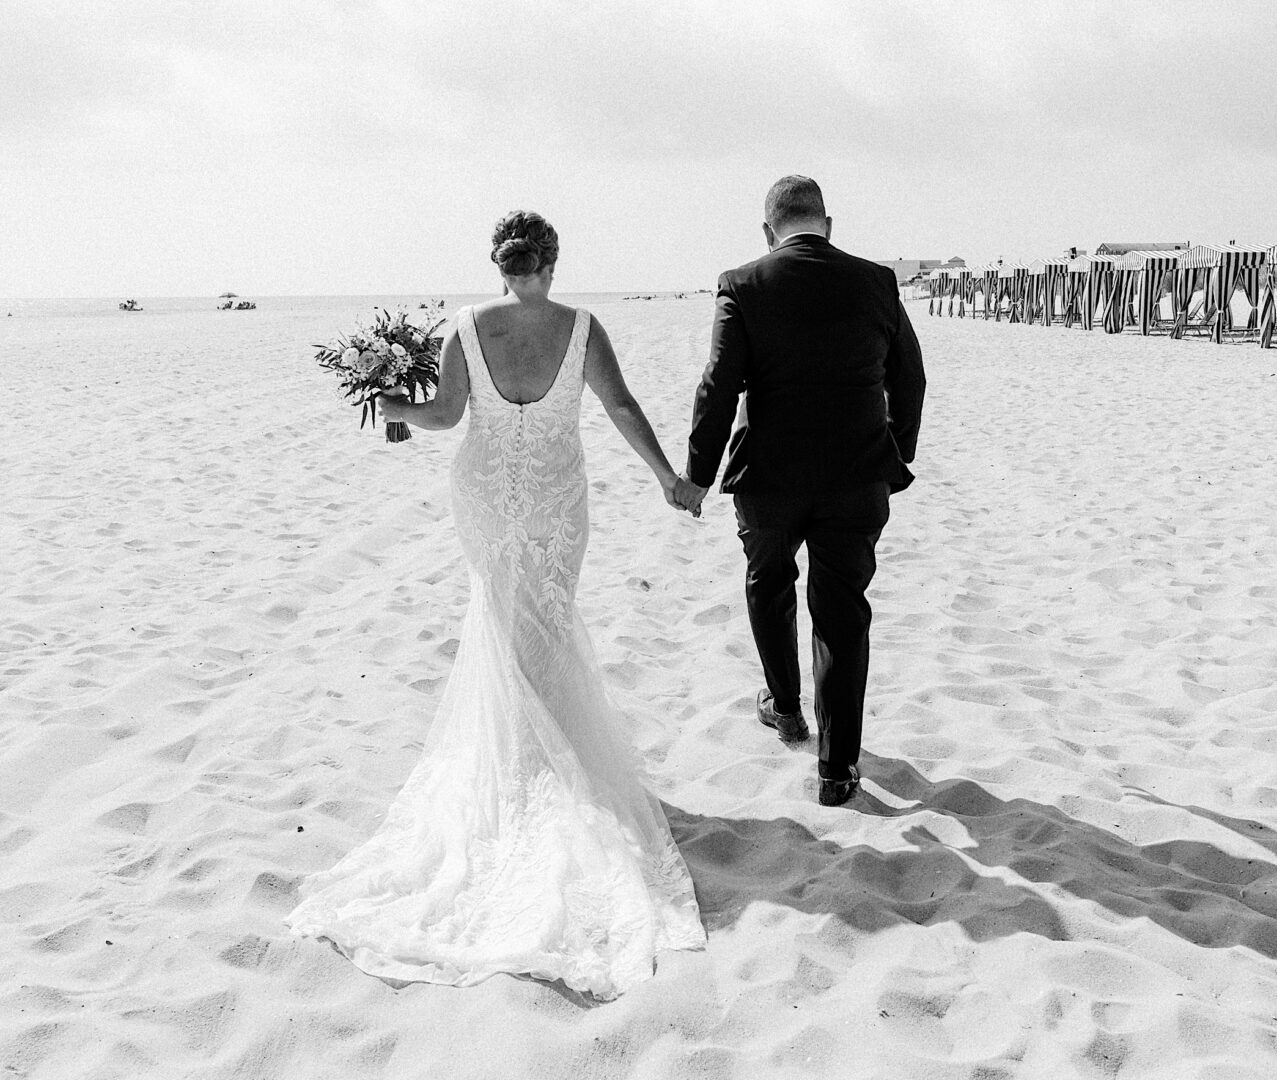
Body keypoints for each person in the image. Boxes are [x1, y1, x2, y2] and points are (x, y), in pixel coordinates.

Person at [286, 211, 707, 999]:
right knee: (546, 624)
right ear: (553, 261)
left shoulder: (464, 327)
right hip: (556, 501)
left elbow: (444, 416)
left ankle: (520, 768)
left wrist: (391, 407)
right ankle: (549, 768)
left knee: (501, 624)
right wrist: (666, 479)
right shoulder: (583, 328)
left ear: (499, 265)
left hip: (484, 495)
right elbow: (621, 410)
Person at [682, 176, 926, 807]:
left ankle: (786, 707)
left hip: (770, 478)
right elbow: (911, 378)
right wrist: (897, 451)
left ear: (768, 231)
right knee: (842, 613)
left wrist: (697, 476)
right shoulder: (876, 281)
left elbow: (719, 385)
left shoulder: (743, 283)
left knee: (768, 582)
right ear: (827, 223)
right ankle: (838, 769)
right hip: (856, 476)